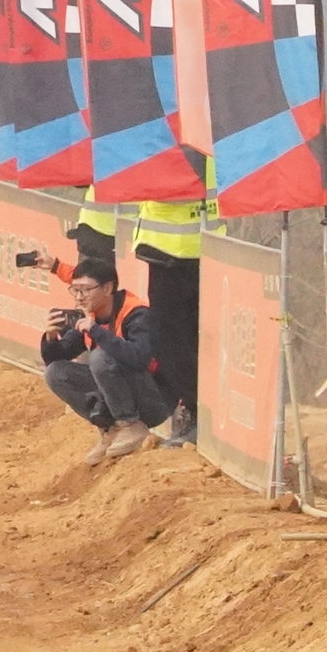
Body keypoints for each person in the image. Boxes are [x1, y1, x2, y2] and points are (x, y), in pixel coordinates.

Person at [39, 257, 174, 460]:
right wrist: (51, 337)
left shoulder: (137, 314)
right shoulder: (90, 316)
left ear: (108, 288)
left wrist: (96, 332)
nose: (79, 296)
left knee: (101, 357)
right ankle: (110, 430)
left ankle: (130, 425)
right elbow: (56, 357)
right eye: (75, 290)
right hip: (121, 395)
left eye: (85, 290)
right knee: (55, 373)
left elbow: (139, 358)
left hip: (155, 398)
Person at [131, 190, 210, 451]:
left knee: (171, 342)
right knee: (187, 341)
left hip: (174, 250)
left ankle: (197, 415)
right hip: (200, 245)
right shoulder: (210, 149)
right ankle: (192, 412)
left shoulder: (172, 149)